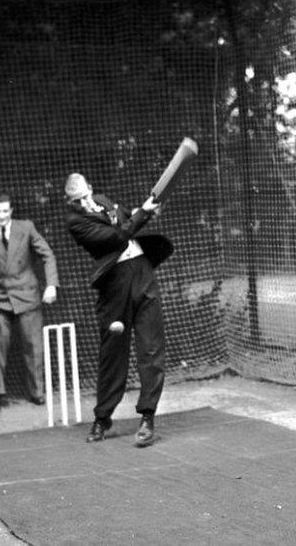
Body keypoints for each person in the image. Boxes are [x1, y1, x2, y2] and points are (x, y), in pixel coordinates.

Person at [65, 173, 173, 446]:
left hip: (143, 272)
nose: (86, 202)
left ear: (91, 188)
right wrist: (141, 216)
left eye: (87, 195)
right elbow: (118, 236)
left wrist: (146, 211)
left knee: (151, 347)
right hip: (115, 284)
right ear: (71, 201)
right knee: (112, 354)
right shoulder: (75, 222)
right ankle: (102, 418)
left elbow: (127, 218)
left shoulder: (102, 201)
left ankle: (147, 417)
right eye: (78, 200)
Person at [0, 193, 59, 414]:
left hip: (27, 295)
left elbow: (47, 255)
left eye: (5, 211)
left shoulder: (27, 227)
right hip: (0, 300)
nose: (2, 216)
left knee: (33, 345)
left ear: (11, 211)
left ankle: (37, 392)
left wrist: (51, 285)